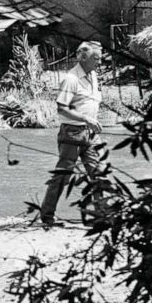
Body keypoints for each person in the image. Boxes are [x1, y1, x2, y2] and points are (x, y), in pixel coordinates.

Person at [39, 41, 106, 228]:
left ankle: (101, 216)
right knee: (63, 176)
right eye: (96, 58)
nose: (99, 62)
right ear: (83, 58)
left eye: (100, 58)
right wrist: (87, 119)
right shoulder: (71, 79)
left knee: (99, 172)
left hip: (91, 133)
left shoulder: (93, 75)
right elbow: (61, 109)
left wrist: (90, 121)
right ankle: (47, 216)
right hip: (72, 133)